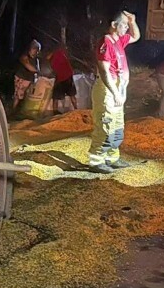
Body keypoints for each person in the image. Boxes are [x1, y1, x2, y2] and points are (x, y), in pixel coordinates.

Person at [87, 11, 140, 173]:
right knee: (105, 124)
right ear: (114, 25)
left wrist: (132, 21)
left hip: (118, 89)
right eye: (123, 24)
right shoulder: (106, 41)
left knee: (117, 125)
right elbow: (104, 71)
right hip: (108, 88)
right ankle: (96, 161)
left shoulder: (119, 41)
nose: (126, 28)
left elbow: (136, 36)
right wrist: (115, 92)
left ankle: (112, 157)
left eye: (126, 25)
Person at [48, 45, 78, 113]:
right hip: (69, 77)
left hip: (62, 79)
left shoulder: (54, 58)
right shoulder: (60, 53)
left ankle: (54, 112)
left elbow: (55, 70)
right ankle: (76, 109)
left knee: (55, 96)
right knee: (72, 95)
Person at [13, 40, 41, 109]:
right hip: (21, 79)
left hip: (29, 80)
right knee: (18, 96)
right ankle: (13, 111)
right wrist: (38, 71)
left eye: (37, 50)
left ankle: (21, 111)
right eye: (35, 49)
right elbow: (28, 66)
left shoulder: (36, 59)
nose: (36, 52)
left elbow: (37, 69)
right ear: (31, 49)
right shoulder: (24, 56)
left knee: (26, 97)